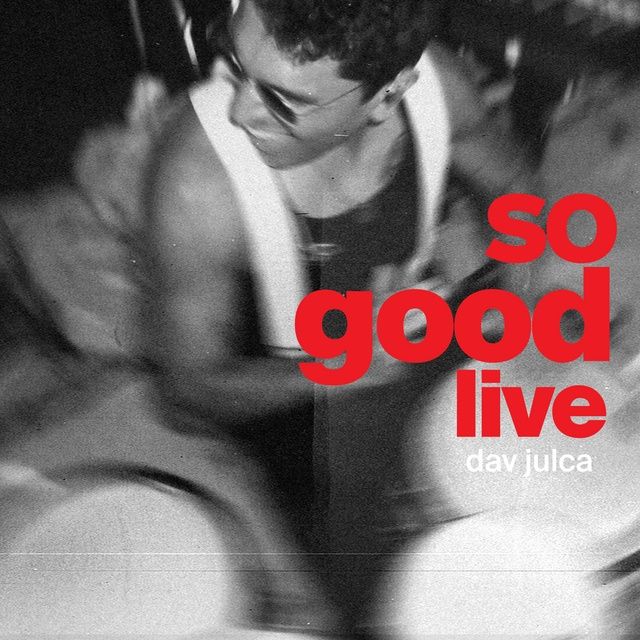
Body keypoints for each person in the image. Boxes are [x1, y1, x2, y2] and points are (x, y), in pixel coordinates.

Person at [146, 0, 532, 622]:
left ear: (389, 94)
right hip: (296, 406)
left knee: (530, 527)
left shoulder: (442, 88)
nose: (240, 110)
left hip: (416, 327)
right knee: (390, 608)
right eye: (238, 66)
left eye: (282, 100)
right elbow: (185, 391)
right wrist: (343, 367)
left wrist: (520, 292)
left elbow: (520, 199)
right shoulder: (196, 183)